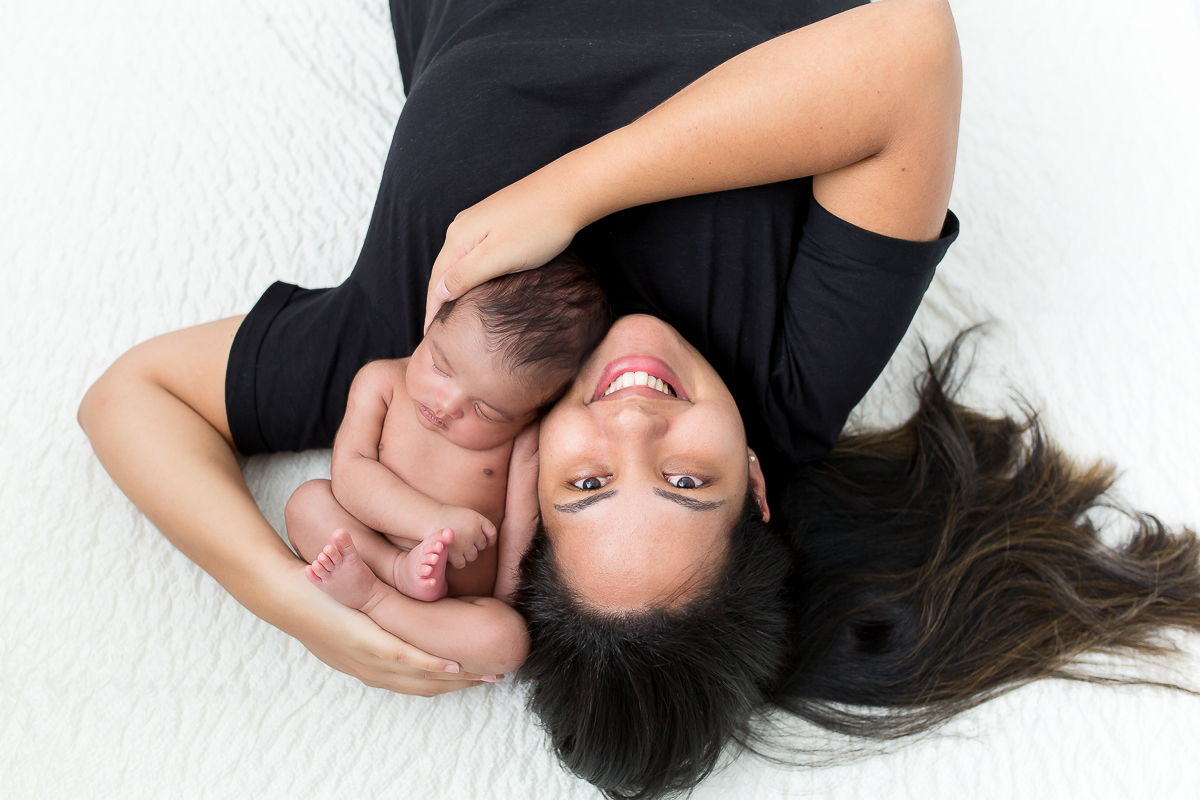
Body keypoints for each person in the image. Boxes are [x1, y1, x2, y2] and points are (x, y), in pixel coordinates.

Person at [75, 0, 1200, 798]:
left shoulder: (436, 361)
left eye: (587, 483)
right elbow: (908, 46)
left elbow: (129, 396)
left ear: (524, 494)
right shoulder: (789, 373)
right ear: (755, 481)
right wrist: (570, 192)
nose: (633, 417)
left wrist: (291, 601)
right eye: (688, 479)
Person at [284, 255, 609, 677]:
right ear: (434, 318)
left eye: (486, 410)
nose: (447, 404)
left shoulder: (521, 442)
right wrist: (434, 522)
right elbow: (349, 473)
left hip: (452, 602)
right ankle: (385, 579)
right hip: (363, 550)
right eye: (441, 366)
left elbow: (518, 525)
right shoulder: (381, 383)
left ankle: (374, 602)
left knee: (507, 641)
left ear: (531, 414)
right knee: (307, 502)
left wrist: (503, 599)